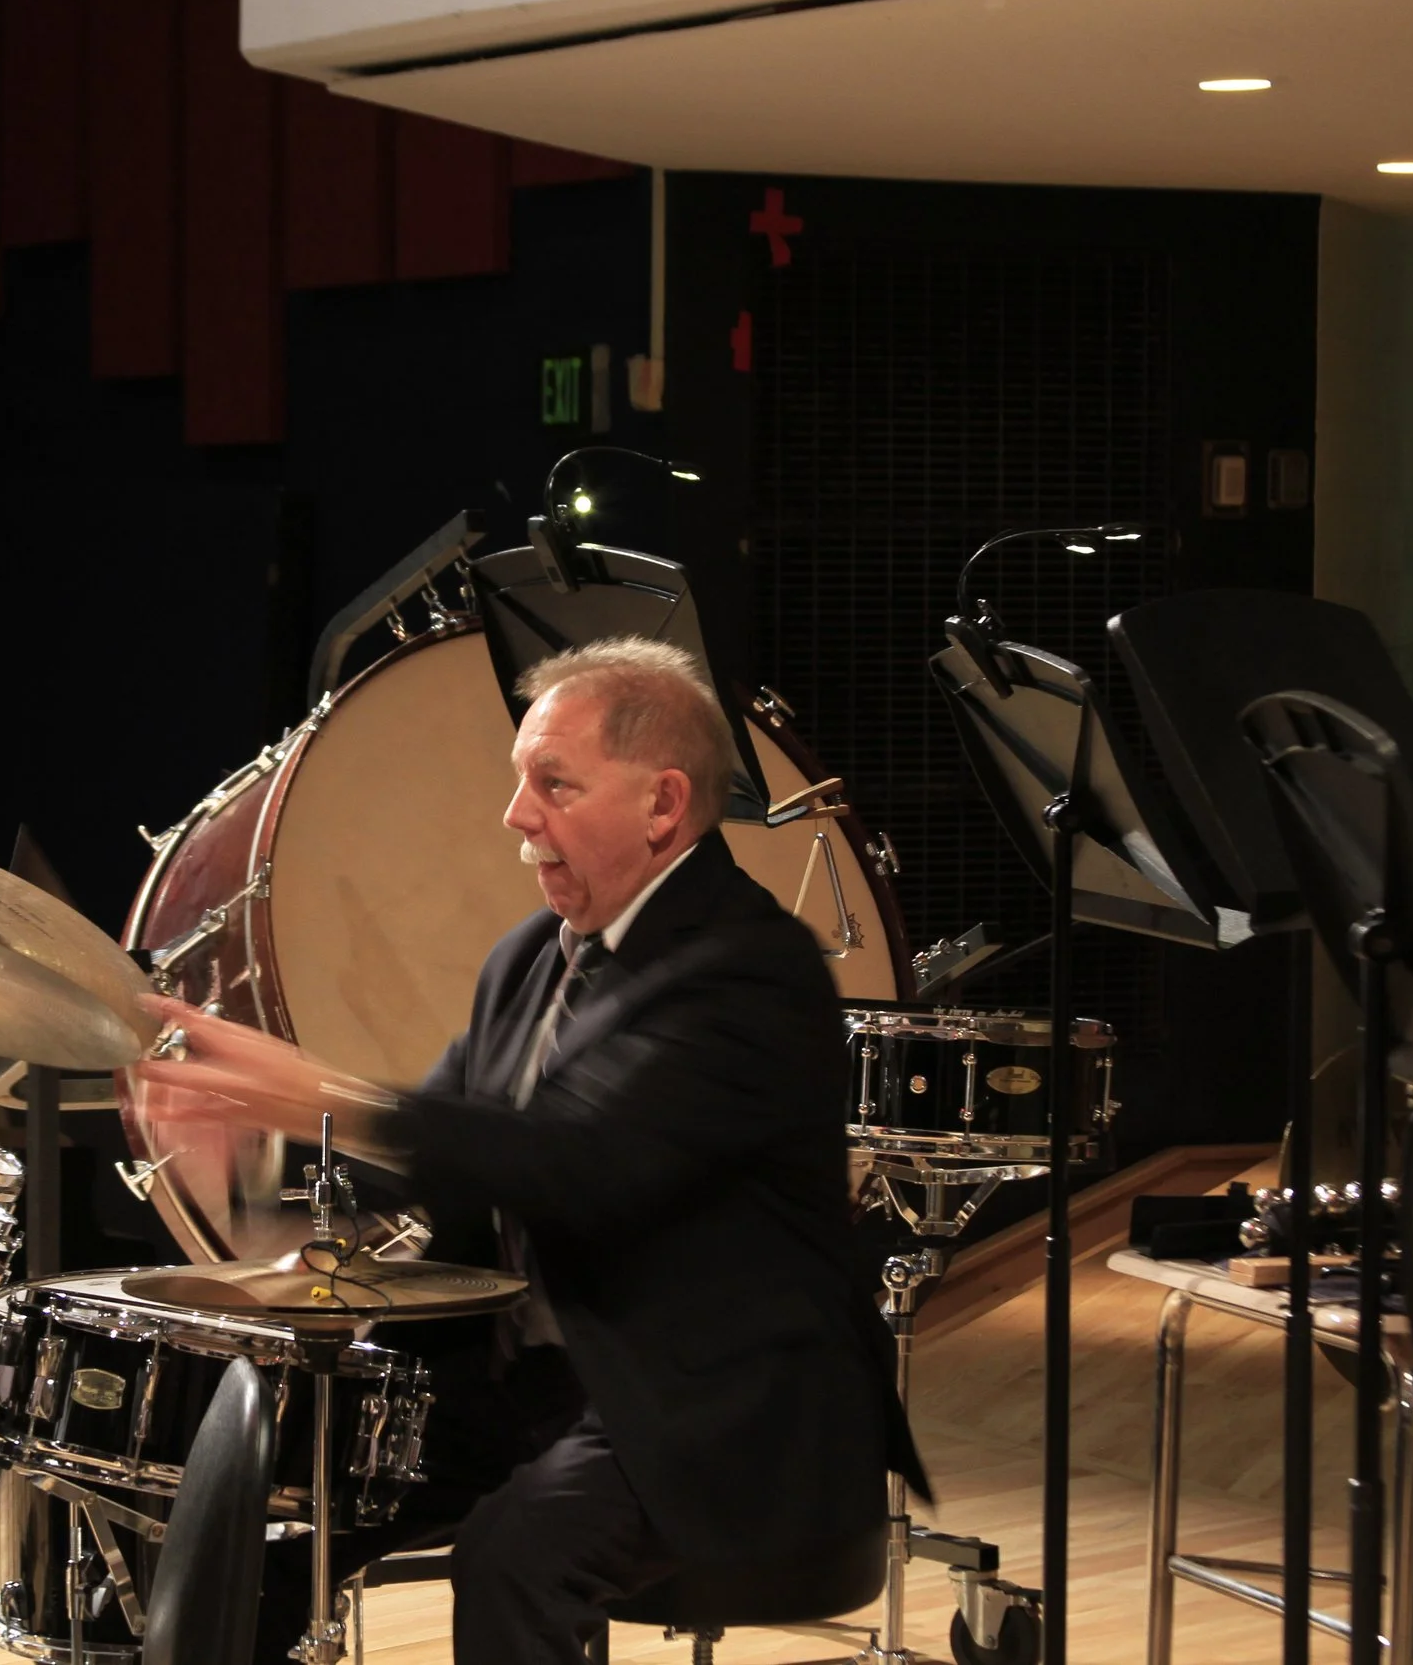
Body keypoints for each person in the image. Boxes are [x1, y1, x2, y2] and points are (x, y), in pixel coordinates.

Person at [139, 636, 926, 1664]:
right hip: (542, 1382)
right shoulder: (527, 960)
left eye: (553, 783)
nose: (517, 815)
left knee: (515, 1551)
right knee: (254, 1509)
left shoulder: (748, 969)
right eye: (519, 781)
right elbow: (445, 1157)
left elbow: (581, 1160)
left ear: (662, 805)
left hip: (715, 1402)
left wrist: (315, 1092)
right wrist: (250, 1172)